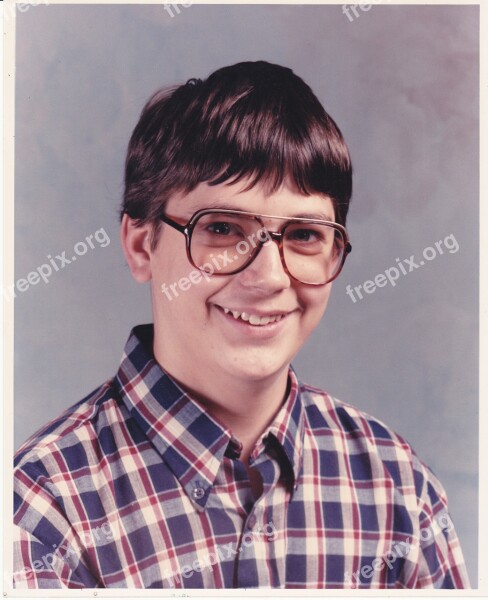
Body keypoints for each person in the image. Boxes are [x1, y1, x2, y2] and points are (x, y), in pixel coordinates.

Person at [13, 61, 470, 589]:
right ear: (141, 245)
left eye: (303, 234)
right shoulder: (41, 509)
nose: (269, 277)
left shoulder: (399, 490)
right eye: (224, 228)